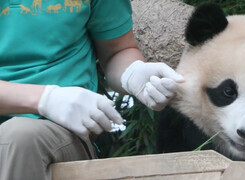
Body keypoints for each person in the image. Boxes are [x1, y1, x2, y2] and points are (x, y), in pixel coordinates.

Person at [0, 0, 184, 179]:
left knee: (20, 138)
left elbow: (116, 50)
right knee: (15, 136)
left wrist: (132, 73)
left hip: (55, 135)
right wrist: (44, 99)